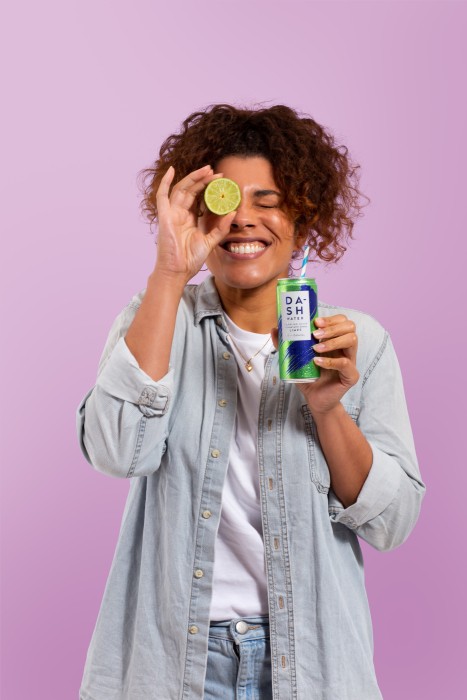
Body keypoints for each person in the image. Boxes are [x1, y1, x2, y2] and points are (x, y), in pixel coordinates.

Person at [77, 104, 426, 700]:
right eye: (225, 200)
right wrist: (169, 273)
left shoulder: (356, 344)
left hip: (311, 664)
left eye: (268, 201)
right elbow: (115, 452)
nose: (242, 219)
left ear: (304, 219)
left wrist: (327, 408)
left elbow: (392, 524)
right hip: (172, 663)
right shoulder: (157, 320)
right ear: (198, 212)